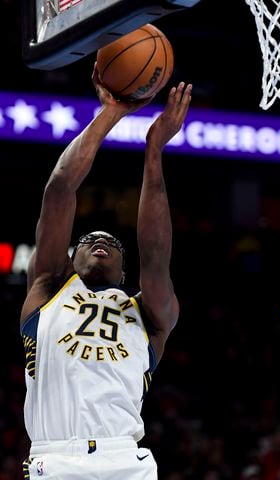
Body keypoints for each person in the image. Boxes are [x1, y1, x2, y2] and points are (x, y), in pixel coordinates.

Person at [19, 62, 192, 480]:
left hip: (125, 459)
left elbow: (155, 253)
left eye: (112, 244)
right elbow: (59, 189)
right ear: (68, 260)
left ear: (122, 268)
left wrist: (154, 151)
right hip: (55, 456)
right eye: (88, 241)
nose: (101, 242)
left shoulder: (149, 313)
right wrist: (111, 114)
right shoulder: (47, 289)